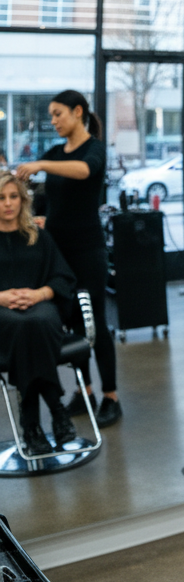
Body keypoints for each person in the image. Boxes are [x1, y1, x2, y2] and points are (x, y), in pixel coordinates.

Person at [16, 89, 121, 428]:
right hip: (58, 251)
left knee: (96, 324)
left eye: (58, 113)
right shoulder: (56, 152)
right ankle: (85, 390)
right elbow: (51, 196)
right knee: (72, 321)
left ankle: (111, 396)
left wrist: (43, 164)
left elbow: (84, 172)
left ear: (78, 112)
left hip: (87, 249)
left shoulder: (94, 151)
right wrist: (42, 215)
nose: (54, 121)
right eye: (51, 115)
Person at [0, 171, 79, 456]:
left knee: (38, 320)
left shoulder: (38, 236)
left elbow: (63, 278)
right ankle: (57, 411)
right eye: (1, 198)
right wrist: (2, 297)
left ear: (22, 200)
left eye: (14, 197)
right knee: (24, 327)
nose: (8, 204)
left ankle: (30, 425)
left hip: (39, 306)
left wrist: (38, 294)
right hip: (1, 315)